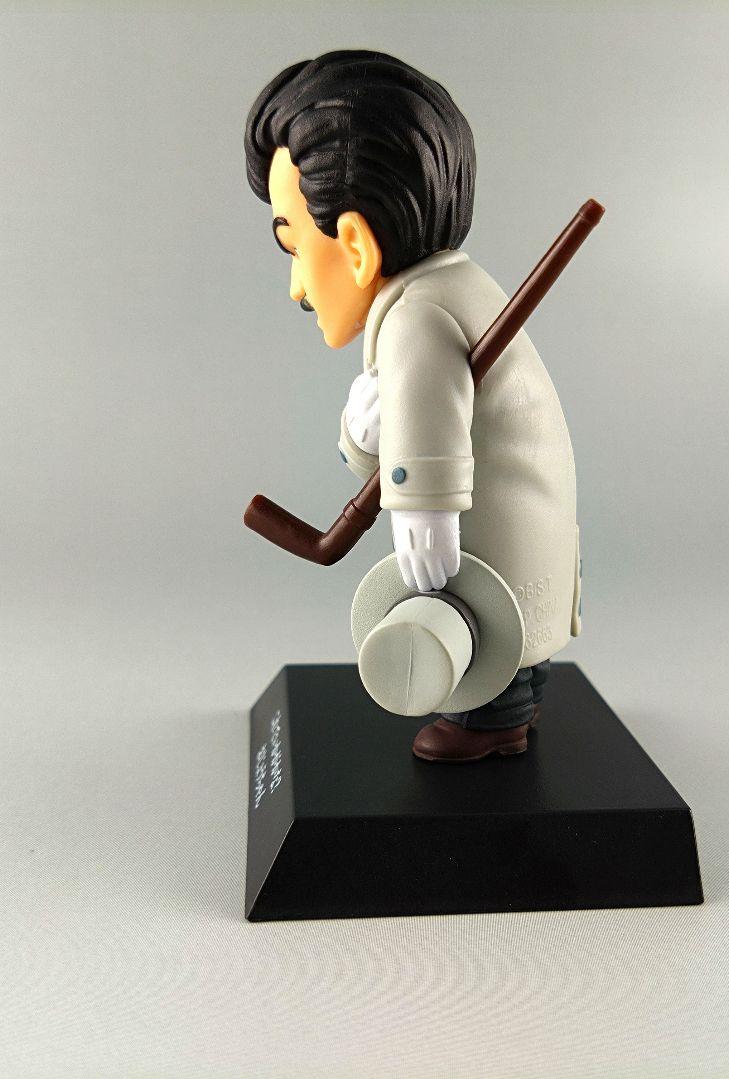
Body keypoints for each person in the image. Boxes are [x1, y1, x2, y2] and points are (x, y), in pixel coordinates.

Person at [245, 51, 581, 762]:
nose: (296, 286)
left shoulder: (417, 317)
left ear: (355, 246)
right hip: (528, 530)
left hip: (488, 539)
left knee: (470, 626)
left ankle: (492, 723)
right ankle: (517, 700)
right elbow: (416, 419)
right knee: (515, 631)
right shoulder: (454, 287)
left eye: (294, 247)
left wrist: (422, 510)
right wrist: (365, 432)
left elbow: (431, 422)